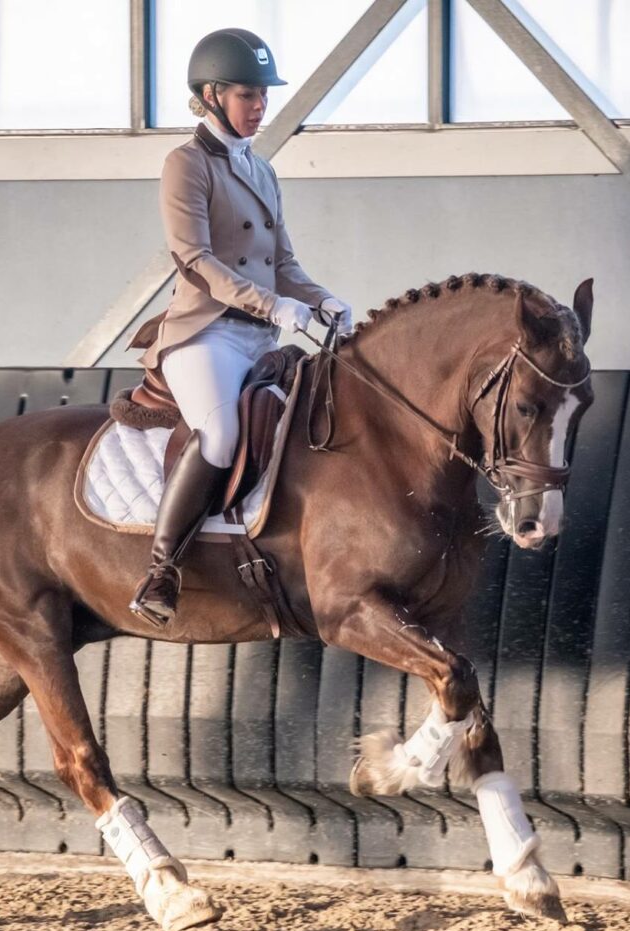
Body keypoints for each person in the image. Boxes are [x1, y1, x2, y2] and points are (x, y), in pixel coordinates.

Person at [129, 27, 353, 628]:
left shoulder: (261, 169)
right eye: (248, 96)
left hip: (258, 336)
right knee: (223, 434)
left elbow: (283, 263)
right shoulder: (186, 165)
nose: (260, 107)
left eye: (263, 96)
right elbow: (197, 261)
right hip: (206, 335)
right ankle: (161, 569)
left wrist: (320, 298)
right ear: (210, 95)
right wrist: (274, 307)